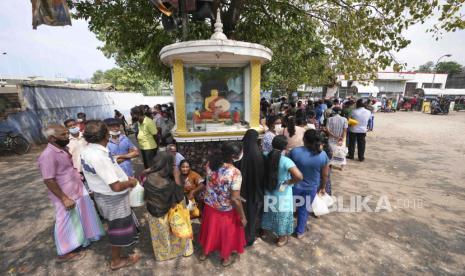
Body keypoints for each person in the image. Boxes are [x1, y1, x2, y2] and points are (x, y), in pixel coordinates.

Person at [37, 125, 104, 262]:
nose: (67, 137)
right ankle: (64, 253)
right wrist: (64, 198)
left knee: (83, 214)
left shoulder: (64, 149)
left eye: (67, 133)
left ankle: (84, 240)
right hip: (65, 194)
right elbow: (48, 180)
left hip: (77, 188)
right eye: (63, 135)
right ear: (52, 138)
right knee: (65, 221)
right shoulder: (47, 155)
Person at [80, 120, 140, 270]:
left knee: (116, 226)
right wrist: (131, 183)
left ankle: (118, 255)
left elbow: (109, 165)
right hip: (112, 199)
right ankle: (116, 261)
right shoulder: (98, 156)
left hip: (103, 196)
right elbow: (116, 186)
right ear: (105, 135)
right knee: (117, 228)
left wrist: (120, 159)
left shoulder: (89, 150)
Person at [199, 142, 247, 267]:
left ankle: (205, 253)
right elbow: (235, 199)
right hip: (226, 209)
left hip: (210, 205)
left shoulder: (210, 164)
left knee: (210, 230)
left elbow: (213, 183)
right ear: (234, 156)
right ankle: (225, 257)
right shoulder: (235, 173)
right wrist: (242, 216)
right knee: (226, 234)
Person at [144, 152, 194, 261]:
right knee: (174, 232)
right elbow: (178, 198)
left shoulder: (149, 177)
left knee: (161, 235)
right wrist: (176, 177)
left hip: (154, 213)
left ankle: (162, 255)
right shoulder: (169, 182)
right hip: (169, 213)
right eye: (172, 164)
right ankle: (181, 251)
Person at [261, 135, 303, 246]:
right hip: (282, 194)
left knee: (268, 212)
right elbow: (299, 176)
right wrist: (288, 182)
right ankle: (281, 238)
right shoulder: (286, 161)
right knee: (282, 215)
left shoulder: (264, 155)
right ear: (285, 147)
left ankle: (264, 232)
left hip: (268, 191)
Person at [289, 129, 330, 238]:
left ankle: (285, 229)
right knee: (304, 209)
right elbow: (325, 175)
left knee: (289, 208)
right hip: (311, 187)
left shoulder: (294, 152)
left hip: (294, 186)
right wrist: (323, 187)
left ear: (304, 139)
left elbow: (287, 168)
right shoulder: (323, 155)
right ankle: (300, 231)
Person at [235, 129, 265, 246]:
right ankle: (249, 238)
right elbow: (262, 176)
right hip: (253, 192)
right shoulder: (259, 155)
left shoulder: (239, 154)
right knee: (251, 216)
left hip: (239, 191)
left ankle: (238, 237)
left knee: (240, 214)